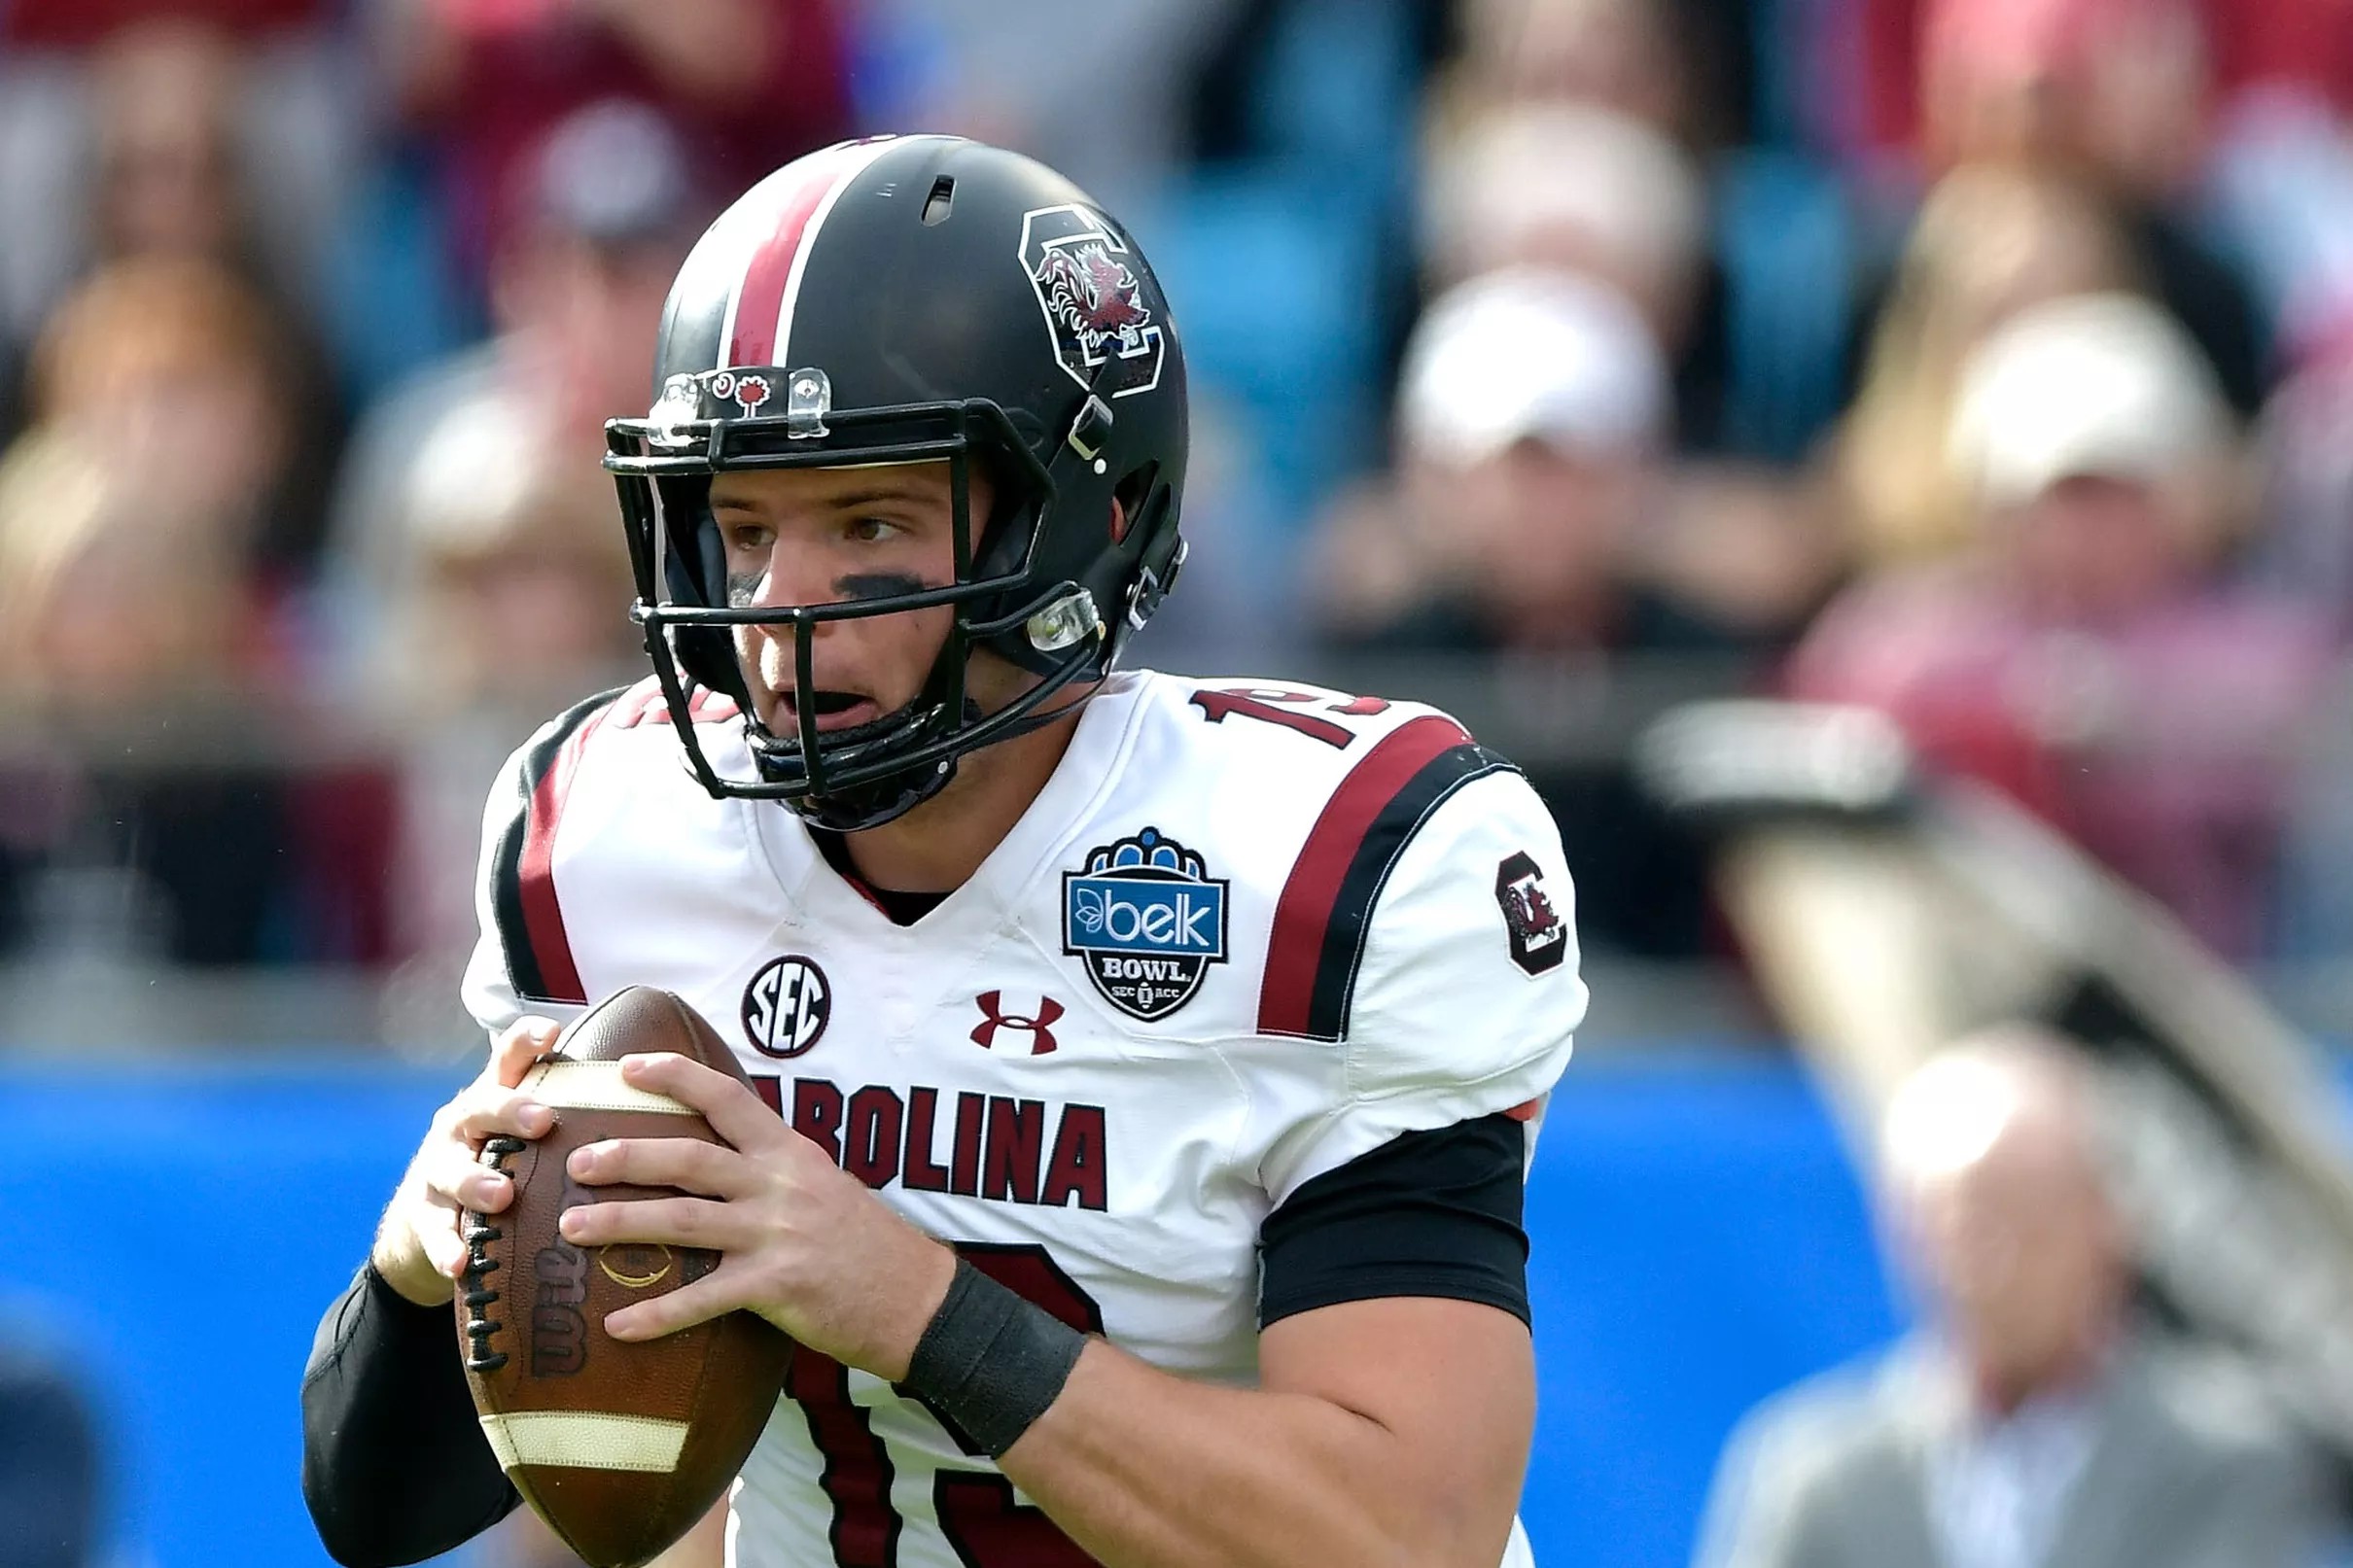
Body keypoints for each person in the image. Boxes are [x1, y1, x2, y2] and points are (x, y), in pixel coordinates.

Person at [299, 135, 1585, 1568]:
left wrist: (910, 1303)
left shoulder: (1332, 864)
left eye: (869, 519)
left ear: (1083, 523)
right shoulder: (608, 830)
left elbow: (1408, 1535)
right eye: (743, 527)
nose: (780, 609)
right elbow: (382, 1508)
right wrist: (421, 1272)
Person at [1694, 1028, 2329, 1568]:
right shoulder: (1816, 1475)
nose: (1997, 1262)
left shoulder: (2225, 1458)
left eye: (2031, 1218)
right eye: (1966, 1225)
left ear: (2110, 1224)